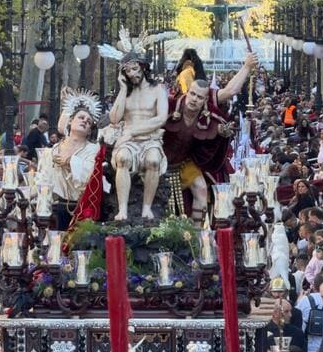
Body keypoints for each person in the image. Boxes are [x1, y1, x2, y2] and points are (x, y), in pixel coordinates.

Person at [106, 44, 168, 221]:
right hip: (128, 143)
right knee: (122, 159)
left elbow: (160, 119)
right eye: (127, 71)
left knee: (153, 160)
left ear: (143, 67)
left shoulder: (157, 90)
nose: (132, 74)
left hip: (149, 139)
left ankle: (147, 208)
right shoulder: (125, 93)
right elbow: (115, 118)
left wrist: (132, 131)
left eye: (135, 68)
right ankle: (123, 209)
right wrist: (123, 89)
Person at [162, 78, 238, 222]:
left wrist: (247, 66)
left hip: (183, 163)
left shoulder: (208, 115)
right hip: (158, 162)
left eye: (199, 97)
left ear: (205, 99)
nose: (194, 99)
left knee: (201, 188)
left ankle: (198, 234)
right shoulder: (169, 106)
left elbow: (231, 91)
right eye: (193, 94)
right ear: (187, 92)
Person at [50, 89, 102, 230]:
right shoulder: (55, 148)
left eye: (89, 121)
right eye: (81, 117)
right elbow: (44, 178)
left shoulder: (94, 149)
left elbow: (91, 175)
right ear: (71, 121)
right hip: (56, 209)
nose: (85, 121)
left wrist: (71, 161)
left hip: (83, 208)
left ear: (90, 130)